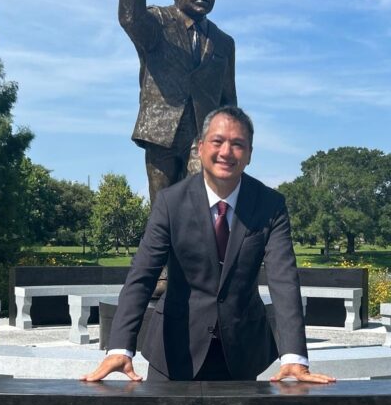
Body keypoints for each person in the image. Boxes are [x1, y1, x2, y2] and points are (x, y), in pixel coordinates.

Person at [82, 106, 335, 384]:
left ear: (249, 154)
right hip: (174, 350)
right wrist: (120, 347)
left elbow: (283, 279)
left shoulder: (270, 205)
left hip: (241, 353)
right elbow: (142, 276)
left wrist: (294, 357)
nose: (226, 152)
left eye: (237, 144)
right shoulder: (170, 203)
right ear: (200, 148)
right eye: (218, 141)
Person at [119, 0, 237, 205]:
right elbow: (130, 17)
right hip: (161, 132)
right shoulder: (157, 23)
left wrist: (234, 140)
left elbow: (228, 99)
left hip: (205, 138)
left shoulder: (224, 43)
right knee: (163, 208)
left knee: (200, 203)